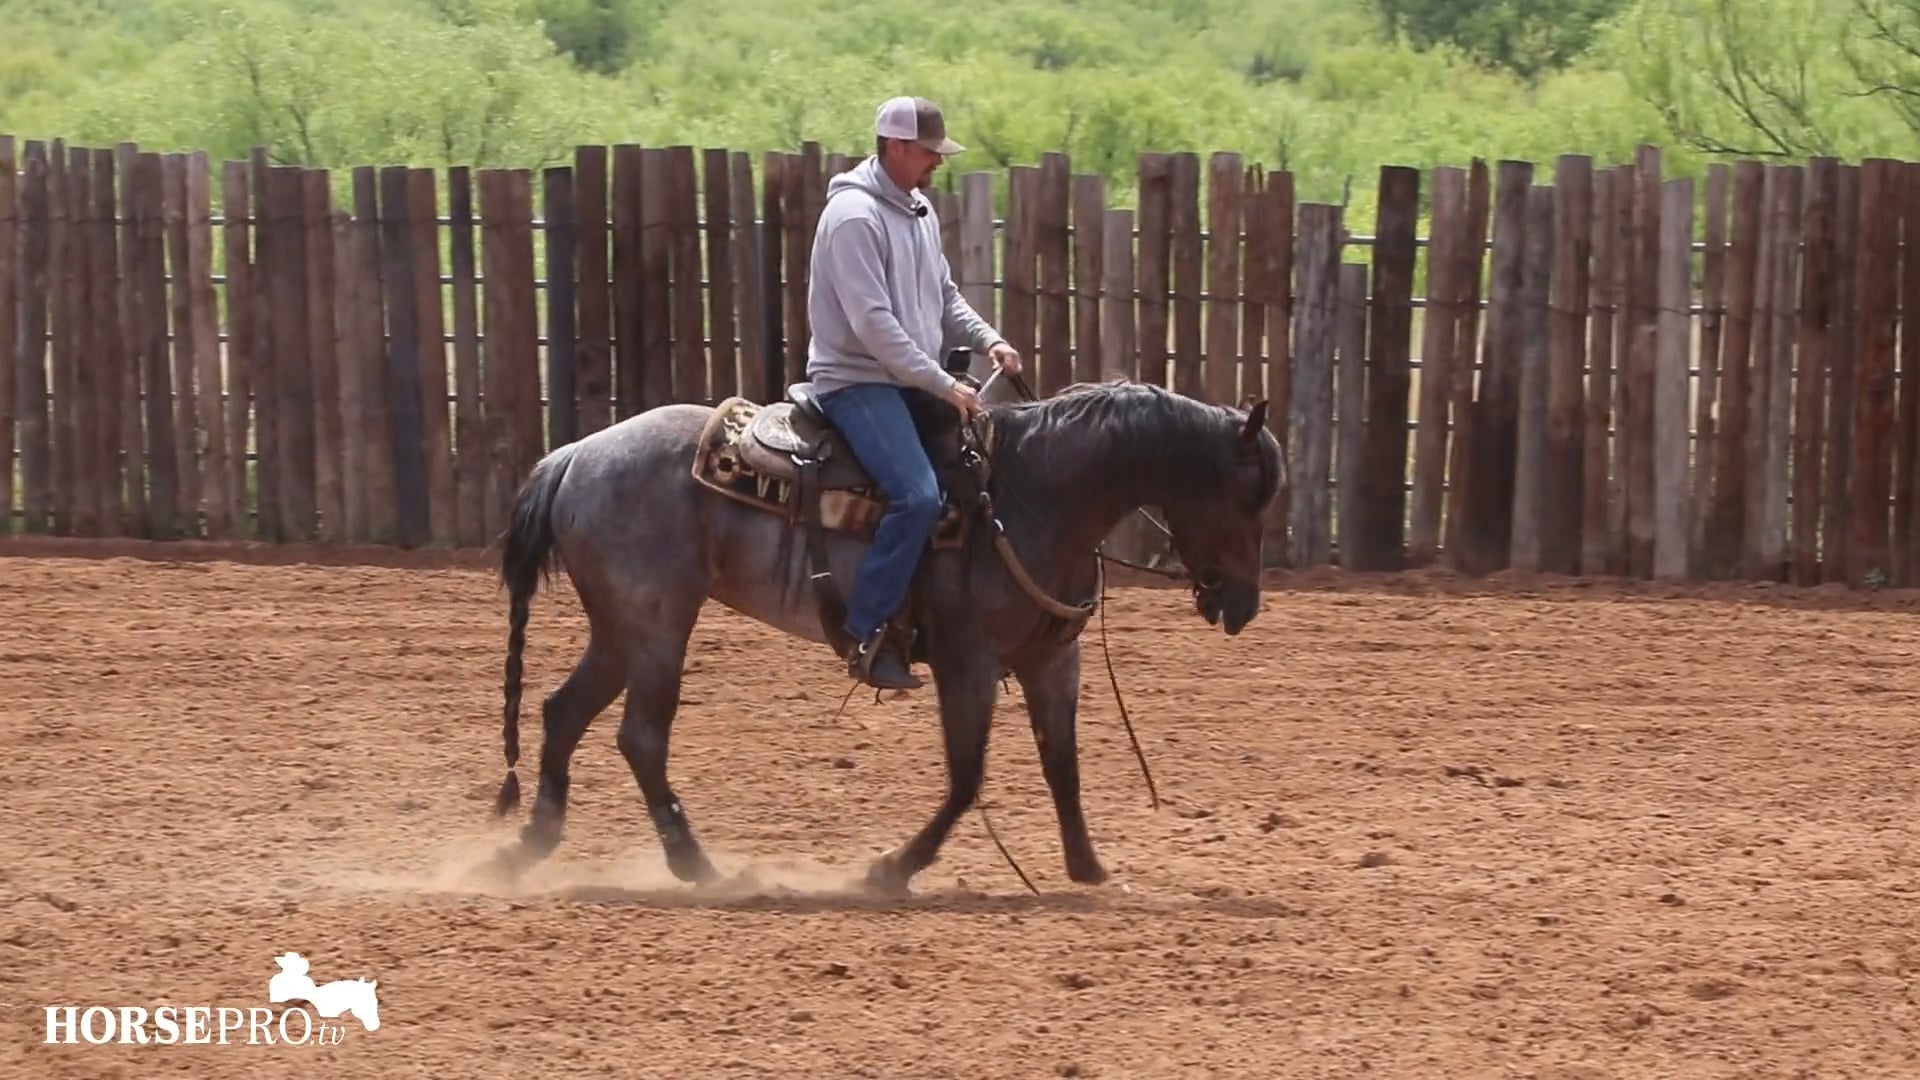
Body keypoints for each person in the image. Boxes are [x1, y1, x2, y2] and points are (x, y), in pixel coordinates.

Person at [805, 95, 1023, 691]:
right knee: (919, 496)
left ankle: (951, 618)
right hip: (856, 382)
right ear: (896, 147)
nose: (937, 164)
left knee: (977, 475)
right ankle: (867, 630)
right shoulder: (854, 218)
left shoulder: (917, 208)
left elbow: (946, 297)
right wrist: (944, 382)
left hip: (905, 378)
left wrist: (990, 340)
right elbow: (875, 327)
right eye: (929, 153)